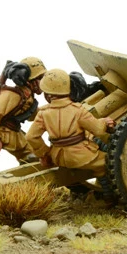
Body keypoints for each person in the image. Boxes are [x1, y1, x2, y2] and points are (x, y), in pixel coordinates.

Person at [25, 68, 116, 204]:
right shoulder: (78, 110)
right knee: (107, 162)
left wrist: (45, 154)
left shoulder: (43, 113)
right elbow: (98, 130)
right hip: (79, 155)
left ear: (48, 94)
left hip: (57, 157)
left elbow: (31, 137)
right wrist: (104, 122)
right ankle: (110, 197)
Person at [0, 57, 46, 177]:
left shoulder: (28, 96)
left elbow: (32, 115)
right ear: (29, 80)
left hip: (14, 133)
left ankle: (31, 180)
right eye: (40, 78)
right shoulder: (13, 94)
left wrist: (53, 109)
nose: (43, 82)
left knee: (30, 155)